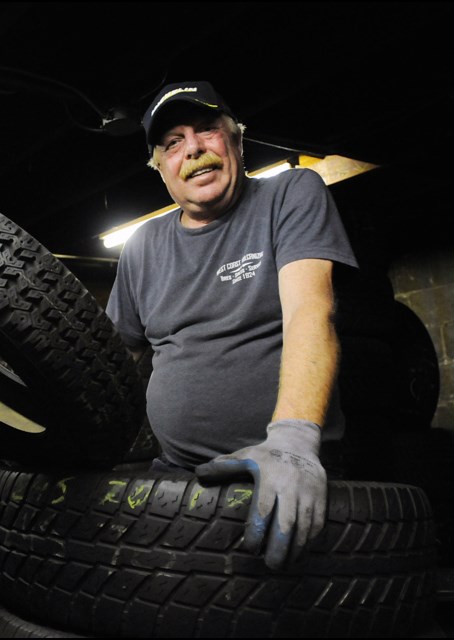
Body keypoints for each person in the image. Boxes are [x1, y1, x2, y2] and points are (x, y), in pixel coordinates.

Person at [104, 81, 359, 570]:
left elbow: (311, 310)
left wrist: (294, 439)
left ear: (237, 141)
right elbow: (112, 361)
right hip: (177, 476)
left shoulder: (289, 194)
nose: (194, 149)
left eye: (207, 130)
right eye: (173, 142)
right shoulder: (140, 247)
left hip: (289, 464)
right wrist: (36, 423)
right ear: (160, 168)